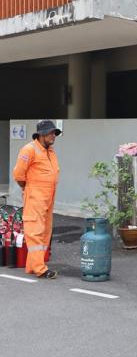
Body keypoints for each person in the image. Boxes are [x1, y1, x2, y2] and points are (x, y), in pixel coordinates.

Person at [13, 120, 62, 279]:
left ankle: (32, 265)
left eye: (55, 133)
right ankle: (40, 269)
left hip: (48, 198)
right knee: (35, 232)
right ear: (41, 134)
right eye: (51, 133)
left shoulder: (50, 151)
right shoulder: (29, 149)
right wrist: (28, 189)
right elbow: (18, 175)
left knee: (45, 233)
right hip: (35, 198)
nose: (53, 136)